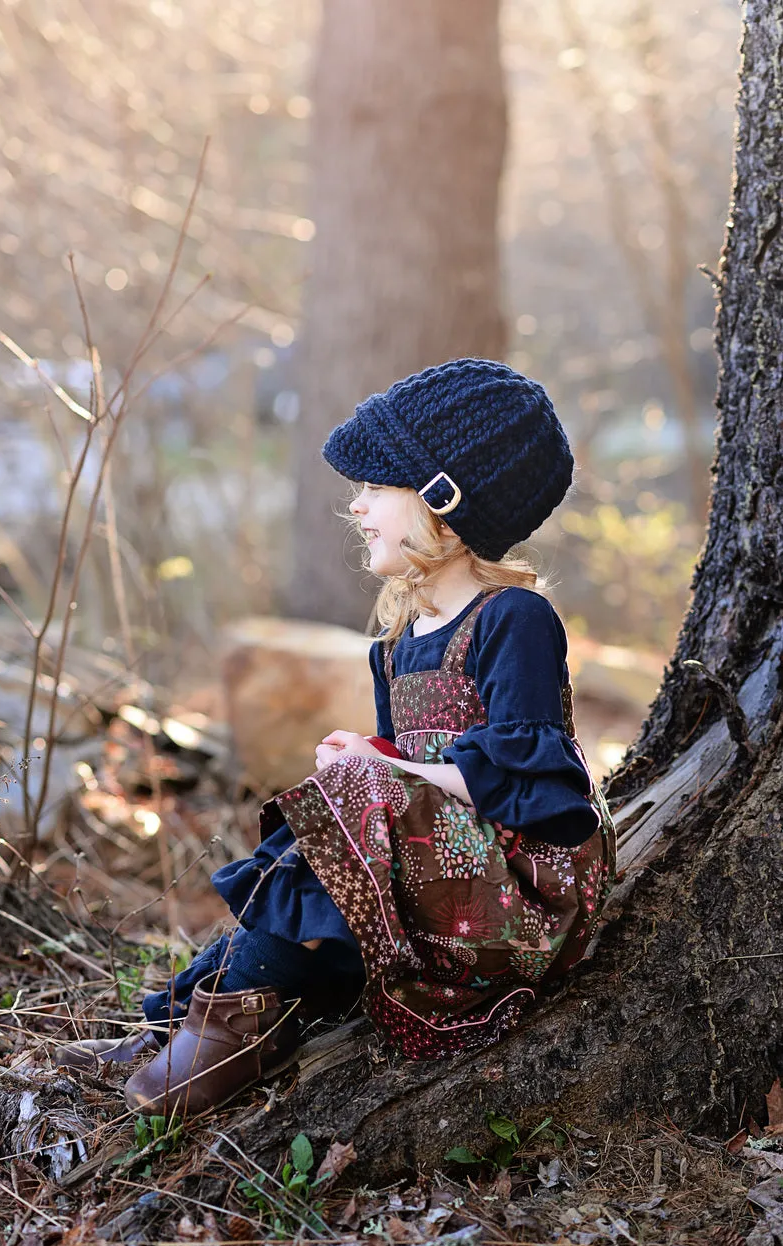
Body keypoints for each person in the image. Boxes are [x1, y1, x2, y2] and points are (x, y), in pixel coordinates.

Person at [54, 359, 615, 1116]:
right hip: (437, 880)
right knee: (322, 843)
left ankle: (228, 1025)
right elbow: (407, 778)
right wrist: (374, 761)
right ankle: (198, 1010)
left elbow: (539, 785)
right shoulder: (395, 642)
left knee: (352, 793)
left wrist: (377, 779)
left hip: (521, 891)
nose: (356, 507)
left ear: (445, 499)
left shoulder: (513, 619)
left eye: (376, 488)